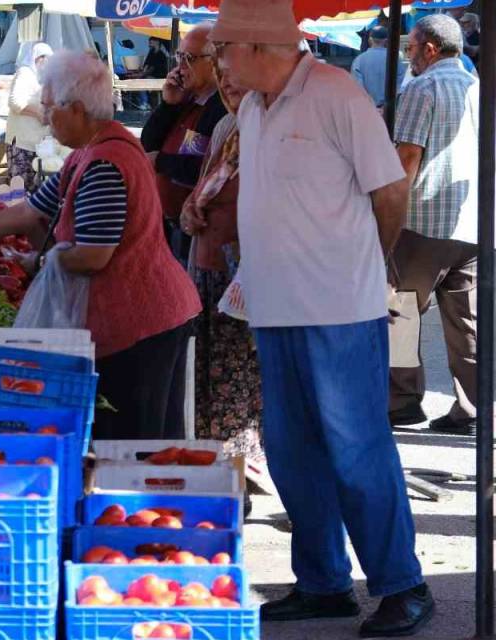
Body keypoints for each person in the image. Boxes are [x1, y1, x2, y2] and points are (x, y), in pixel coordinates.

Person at [211, 0, 433, 636]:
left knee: (356, 448)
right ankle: (324, 582)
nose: (220, 62)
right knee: (291, 451)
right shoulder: (252, 108)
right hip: (274, 307)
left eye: (224, 48)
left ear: (257, 45)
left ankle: (402, 584)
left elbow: (390, 189)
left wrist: (372, 259)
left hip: (339, 306)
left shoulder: (336, 93)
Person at [0, 51, 200, 440]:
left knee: (134, 440)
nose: (46, 119)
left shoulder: (105, 164)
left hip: (141, 319)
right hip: (153, 312)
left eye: (50, 109)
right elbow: (29, 212)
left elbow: (94, 255)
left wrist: (42, 260)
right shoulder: (92, 150)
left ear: (78, 109)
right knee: (149, 437)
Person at [388, 14, 480, 436]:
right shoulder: (477, 87)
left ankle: (403, 401)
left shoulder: (422, 87)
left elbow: (408, 157)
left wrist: (389, 214)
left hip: (424, 221)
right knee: (467, 323)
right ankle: (473, 406)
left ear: (429, 49)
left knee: (401, 312)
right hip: (473, 222)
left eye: (410, 48)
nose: (408, 56)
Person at [176, 61, 262, 463]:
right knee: (210, 373)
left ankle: (239, 467)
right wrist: (190, 211)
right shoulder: (227, 128)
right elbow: (196, 185)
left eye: (237, 76)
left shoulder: (269, 134)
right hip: (209, 268)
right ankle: (219, 464)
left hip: (248, 277)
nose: (228, 83)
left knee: (238, 377)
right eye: (221, 73)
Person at [140, 23, 226, 262]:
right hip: (168, 221)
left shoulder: (220, 106)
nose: (181, 67)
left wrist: (160, 161)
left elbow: (200, 167)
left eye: (190, 58)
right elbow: (149, 141)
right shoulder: (186, 97)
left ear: (215, 60)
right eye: (179, 56)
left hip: (194, 226)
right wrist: (168, 103)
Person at [5, 42, 53, 189]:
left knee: (34, 189)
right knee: (21, 189)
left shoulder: (42, 78)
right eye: (47, 60)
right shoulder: (25, 73)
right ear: (38, 59)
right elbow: (15, 102)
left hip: (37, 144)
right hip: (21, 142)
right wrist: (38, 113)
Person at [350, 26, 407, 108]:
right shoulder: (396, 59)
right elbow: (401, 85)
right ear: (387, 41)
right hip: (390, 111)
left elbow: (358, 89)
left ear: (370, 40)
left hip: (368, 109)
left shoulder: (359, 60)